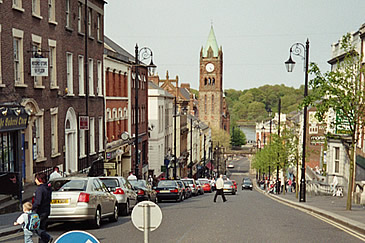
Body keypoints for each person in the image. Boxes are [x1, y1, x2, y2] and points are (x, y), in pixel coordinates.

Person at [33, 173, 53, 243]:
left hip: (40, 211)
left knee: (36, 227)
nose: (35, 181)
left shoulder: (40, 189)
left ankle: (47, 237)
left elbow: (38, 202)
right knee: (42, 227)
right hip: (47, 210)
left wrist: (32, 208)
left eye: (36, 179)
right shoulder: (48, 188)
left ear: (39, 180)